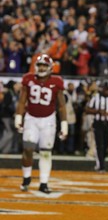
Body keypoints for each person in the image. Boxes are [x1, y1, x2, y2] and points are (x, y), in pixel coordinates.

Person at [15, 54, 68, 193]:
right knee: (28, 149)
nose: (42, 68)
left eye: (45, 65)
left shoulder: (56, 82)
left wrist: (64, 125)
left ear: (50, 68)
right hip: (31, 118)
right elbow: (22, 101)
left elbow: (61, 106)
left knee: (46, 152)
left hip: (48, 120)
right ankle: (26, 177)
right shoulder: (29, 79)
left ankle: (43, 183)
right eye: (40, 65)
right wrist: (18, 118)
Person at [85, 80, 108, 172]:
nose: (107, 91)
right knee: (100, 144)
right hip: (98, 122)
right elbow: (87, 109)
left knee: (105, 144)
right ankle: (101, 166)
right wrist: (98, 111)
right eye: (106, 89)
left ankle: (100, 162)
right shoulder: (96, 97)